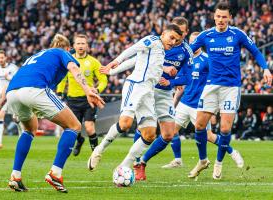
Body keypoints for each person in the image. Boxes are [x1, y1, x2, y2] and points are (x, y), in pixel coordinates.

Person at [0, 33, 105, 193]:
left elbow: (7, 87)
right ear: (68, 49)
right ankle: (55, 173)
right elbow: (74, 68)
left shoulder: (34, 57)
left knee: (30, 128)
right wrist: (88, 90)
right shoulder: (62, 53)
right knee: (74, 126)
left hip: (13, 94)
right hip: (35, 89)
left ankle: (15, 176)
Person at [189, 2, 272, 180]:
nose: (220, 20)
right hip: (211, 86)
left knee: (225, 129)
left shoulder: (237, 34)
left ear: (230, 18)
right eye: (218, 16)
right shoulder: (205, 35)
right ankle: (203, 160)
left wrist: (265, 69)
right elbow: (188, 52)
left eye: (224, 17)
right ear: (214, 17)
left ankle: (218, 163)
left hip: (231, 88)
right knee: (199, 126)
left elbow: (256, 52)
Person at [87, 24, 183, 172]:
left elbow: (136, 61)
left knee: (150, 134)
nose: (173, 42)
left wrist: (113, 72)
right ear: (163, 33)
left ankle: (123, 166)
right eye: (171, 37)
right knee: (125, 124)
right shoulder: (152, 40)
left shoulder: (161, 52)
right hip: (135, 86)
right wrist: (115, 62)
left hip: (148, 93)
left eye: (176, 41)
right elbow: (133, 50)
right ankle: (99, 150)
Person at [160, 32, 244, 172]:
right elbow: (181, 81)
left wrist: (212, 109)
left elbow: (216, 82)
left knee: (209, 137)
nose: (193, 45)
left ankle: (232, 152)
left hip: (199, 105)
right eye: (191, 42)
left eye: (196, 42)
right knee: (170, 131)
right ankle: (178, 159)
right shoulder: (186, 60)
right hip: (185, 102)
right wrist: (175, 96)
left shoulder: (206, 59)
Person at [133, 17, 194, 181]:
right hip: (148, 89)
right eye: (172, 33)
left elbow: (188, 78)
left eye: (179, 33)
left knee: (168, 134)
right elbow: (141, 63)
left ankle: (144, 161)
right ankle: (136, 164)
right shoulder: (156, 43)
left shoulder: (186, 51)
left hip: (165, 94)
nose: (174, 38)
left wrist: (172, 81)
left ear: (185, 33)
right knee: (143, 128)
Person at [57, 34, 107, 156]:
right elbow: (63, 79)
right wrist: (59, 92)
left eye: (83, 43)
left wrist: (97, 90)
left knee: (89, 128)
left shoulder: (94, 62)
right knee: (74, 128)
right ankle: (80, 141)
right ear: (74, 46)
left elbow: (103, 79)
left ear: (87, 46)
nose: (80, 46)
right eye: (78, 43)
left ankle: (95, 155)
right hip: (72, 100)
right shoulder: (68, 60)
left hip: (88, 99)